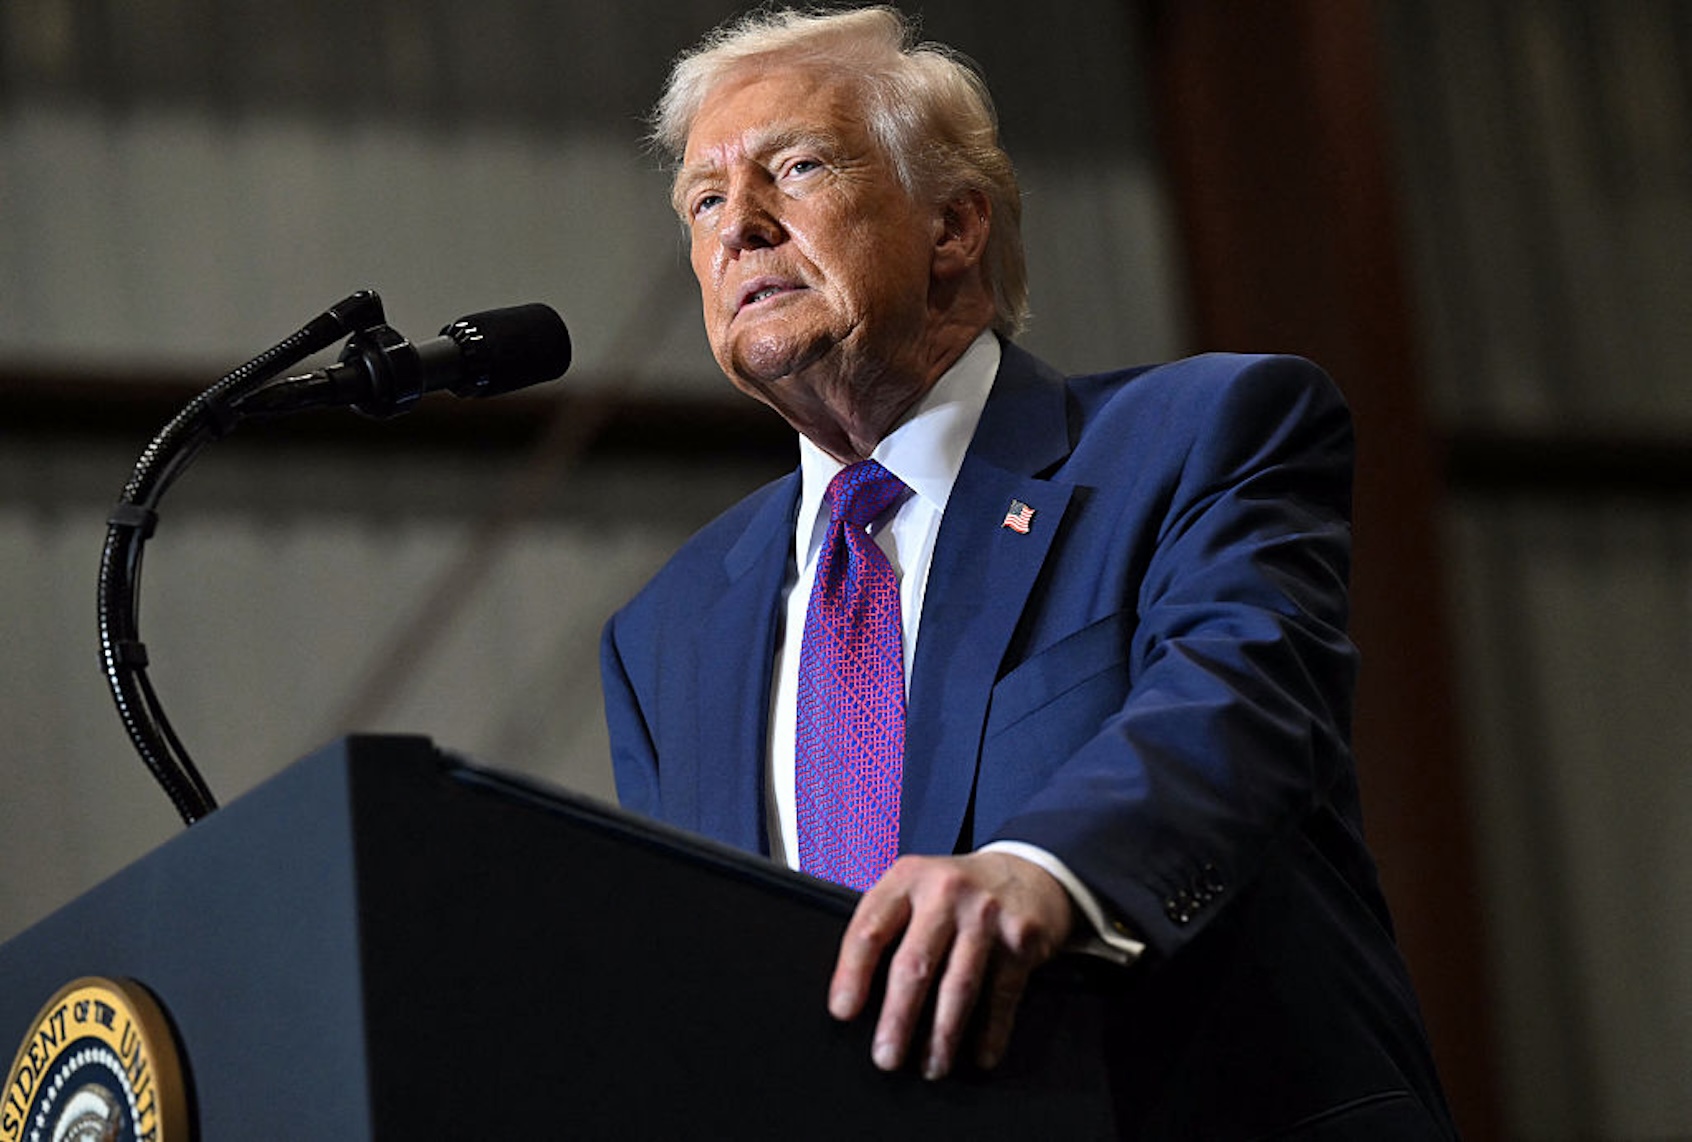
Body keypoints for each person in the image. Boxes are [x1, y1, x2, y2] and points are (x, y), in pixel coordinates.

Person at [601, 6, 1456, 1137]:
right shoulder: (666, 633)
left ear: (954, 224)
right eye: (703, 201)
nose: (737, 230)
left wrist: (1042, 868)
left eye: (796, 167)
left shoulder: (1197, 437)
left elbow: (1241, 707)